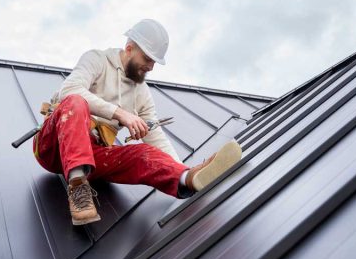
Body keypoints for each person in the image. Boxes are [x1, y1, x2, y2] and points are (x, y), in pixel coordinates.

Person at [33, 19, 241, 226]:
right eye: (148, 58)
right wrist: (120, 114)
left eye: (154, 62)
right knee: (76, 102)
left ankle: (189, 178)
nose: (150, 67)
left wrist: (177, 168)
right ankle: (78, 189)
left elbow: (156, 137)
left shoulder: (141, 93)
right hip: (54, 147)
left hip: (92, 156)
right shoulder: (97, 59)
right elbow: (69, 90)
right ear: (129, 48)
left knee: (142, 153)